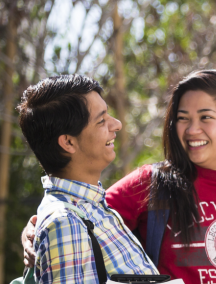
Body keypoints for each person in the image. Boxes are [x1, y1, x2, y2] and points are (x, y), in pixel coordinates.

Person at [21, 70, 216, 284]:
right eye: (182, 118)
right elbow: (80, 216)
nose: (193, 129)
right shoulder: (150, 183)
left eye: (206, 117)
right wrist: (35, 230)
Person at [16, 75, 158, 283]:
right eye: (101, 120)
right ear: (68, 142)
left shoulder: (92, 208)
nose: (117, 124)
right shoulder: (66, 223)